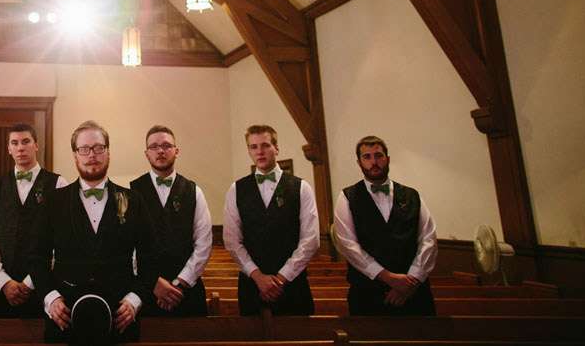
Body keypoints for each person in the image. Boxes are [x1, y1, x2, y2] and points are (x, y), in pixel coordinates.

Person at [29, 121, 157, 343]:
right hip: (65, 314)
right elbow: (36, 257)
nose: (92, 155)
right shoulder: (54, 201)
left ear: (108, 153)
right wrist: (51, 299)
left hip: (120, 315)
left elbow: (151, 258)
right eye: (84, 149)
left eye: (98, 148)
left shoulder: (134, 200)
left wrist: (134, 300)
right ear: (75, 155)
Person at [333, 135, 437, 316]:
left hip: (414, 293)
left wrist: (411, 280)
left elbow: (428, 239)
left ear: (387, 159)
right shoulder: (347, 197)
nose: (374, 162)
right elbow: (348, 245)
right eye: (367, 157)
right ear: (359, 162)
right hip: (367, 294)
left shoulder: (412, 195)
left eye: (378, 155)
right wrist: (387, 277)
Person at [223, 125, 319, 316]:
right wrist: (258, 276)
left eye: (265, 145)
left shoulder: (301, 187)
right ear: (249, 151)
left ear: (276, 148)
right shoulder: (236, 189)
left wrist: (282, 278)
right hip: (252, 285)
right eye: (254, 147)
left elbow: (311, 240)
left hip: (293, 285)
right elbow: (232, 241)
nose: (259, 151)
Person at [0, 123, 68, 318]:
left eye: (26, 141)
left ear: (36, 145)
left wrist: (30, 282)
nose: (20, 147)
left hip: (44, 288)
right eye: (15, 143)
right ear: (8, 148)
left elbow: (61, 241)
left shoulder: (58, 184)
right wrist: (3, 281)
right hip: (1, 288)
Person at [129, 125, 211, 316]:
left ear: (176, 151)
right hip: (146, 291)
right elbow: (128, 245)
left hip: (187, 291)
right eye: (154, 146)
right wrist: (153, 282)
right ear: (146, 154)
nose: (160, 151)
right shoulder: (132, 193)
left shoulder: (194, 191)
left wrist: (179, 282)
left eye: (166, 145)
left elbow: (204, 243)